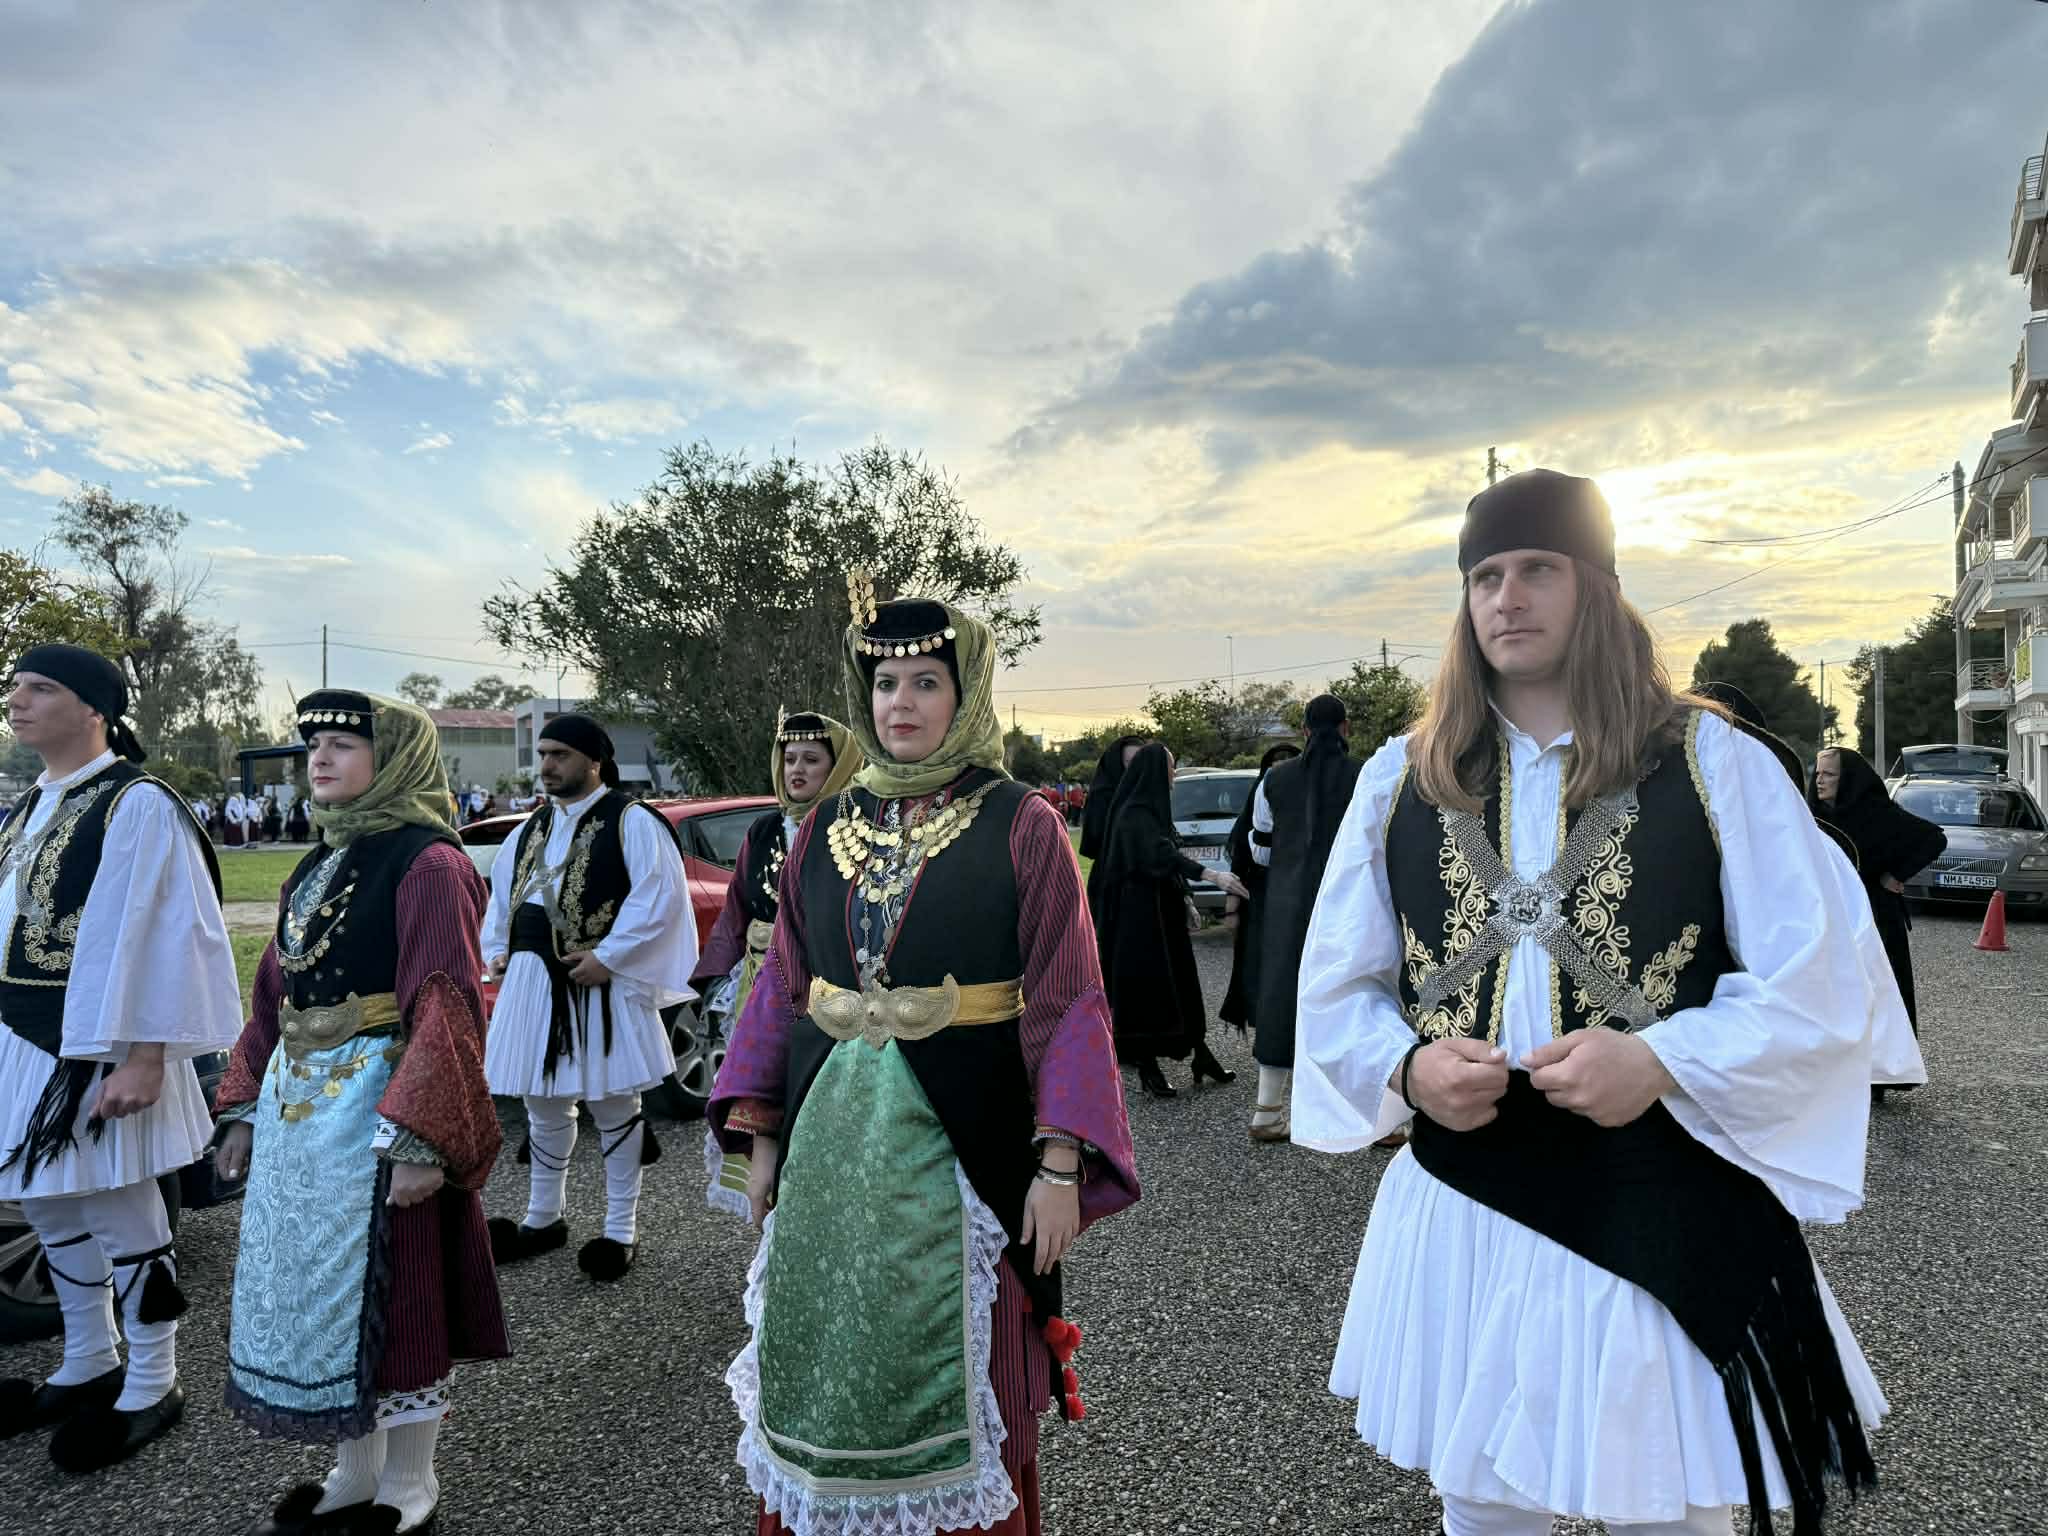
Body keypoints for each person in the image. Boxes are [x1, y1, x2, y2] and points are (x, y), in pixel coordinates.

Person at [1295, 469, 1898, 1536]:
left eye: (1537, 568)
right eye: (1485, 576)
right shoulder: (1399, 775)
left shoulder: (1714, 761)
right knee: (1484, 1505)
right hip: (1471, 1194)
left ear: (1597, 585)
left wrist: (1662, 1059)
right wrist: (1405, 1068)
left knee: (1668, 1507)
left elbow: (1817, 986)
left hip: (1659, 1183)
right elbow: (1336, 987)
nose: (1507, 597)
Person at [708, 583, 1140, 1536]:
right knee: (826, 1355)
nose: (899, 703)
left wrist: (1059, 1162)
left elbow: (1068, 998)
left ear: (966, 692)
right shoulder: (825, 824)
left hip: (963, 1148)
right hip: (831, 1154)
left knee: (961, 1362)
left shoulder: (1022, 821)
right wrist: (760, 1134)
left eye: (926, 683)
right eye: (885, 684)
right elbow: (783, 983)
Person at [217, 690, 508, 1536]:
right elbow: (273, 995)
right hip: (299, 1118)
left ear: (398, 756)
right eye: (314, 743)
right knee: (319, 1296)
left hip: (381, 1113)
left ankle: (411, 1480)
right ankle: (354, 1470)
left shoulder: (430, 864)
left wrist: (421, 1136)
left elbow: (445, 1002)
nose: (320, 757)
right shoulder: (318, 862)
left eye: (344, 743)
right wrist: (242, 1106)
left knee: (401, 1289)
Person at [0, 644, 241, 1472]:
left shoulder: (136, 803)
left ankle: (152, 1379)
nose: (17, 700)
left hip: (102, 1042)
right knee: (48, 1206)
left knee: (120, 1208)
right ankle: (88, 1358)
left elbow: (172, 931)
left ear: (95, 709)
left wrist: (145, 1057)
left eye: (40, 688)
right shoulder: (27, 807)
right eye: (15, 686)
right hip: (23, 1039)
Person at [481, 712, 697, 1281]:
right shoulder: (530, 828)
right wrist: (498, 949)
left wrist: (611, 957)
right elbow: (502, 896)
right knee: (543, 1102)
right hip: (532, 980)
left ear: (594, 761)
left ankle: (620, 1230)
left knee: (614, 1104)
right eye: (543, 754)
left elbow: (658, 897)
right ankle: (542, 1218)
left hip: (598, 980)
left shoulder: (632, 820)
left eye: (560, 755)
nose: (547, 765)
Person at [693, 707, 861, 1217]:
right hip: (758, 987)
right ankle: (766, 1223)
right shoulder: (764, 830)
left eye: (811, 759)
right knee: (760, 1102)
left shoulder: (855, 829)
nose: (797, 770)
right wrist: (714, 978)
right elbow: (736, 910)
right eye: (790, 759)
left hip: (825, 989)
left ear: (838, 765)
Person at [1091, 742, 1246, 1099]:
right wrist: (1213, 875)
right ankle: (1148, 1066)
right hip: (1138, 920)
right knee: (1148, 990)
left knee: (1183, 984)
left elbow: (1167, 858)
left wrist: (1187, 899)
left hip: (1163, 912)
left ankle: (1201, 1055)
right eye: (1171, 767)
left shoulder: (1151, 810)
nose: (1174, 774)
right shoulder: (1133, 814)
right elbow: (1161, 855)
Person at [1246, 696, 1363, 1144]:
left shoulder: (1274, 779)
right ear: (1346, 728)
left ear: (1304, 731)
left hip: (1289, 903)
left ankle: (1267, 1110)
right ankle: (1386, 1120)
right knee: (1362, 992)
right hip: (1353, 902)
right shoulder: (1367, 774)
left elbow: (1261, 848)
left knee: (1282, 994)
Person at [1811, 746, 1946, 1033]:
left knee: (1881, 988)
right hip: (1830, 915)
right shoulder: (1813, 818)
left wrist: (1896, 875)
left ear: (1848, 779)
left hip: (1876, 914)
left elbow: (1933, 839)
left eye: (1829, 774)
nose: (1820, 781)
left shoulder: (1877, 814)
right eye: (1818, 774)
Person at [1218, 742, 1299, 1087]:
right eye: (1274, 766)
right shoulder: (1258, 803)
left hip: (1296, 898)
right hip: (1262, 902)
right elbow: (1241, 858)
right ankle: (1270, 1044)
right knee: (1264, 974)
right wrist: (1232, 910)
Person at [224, 783, 252, 848]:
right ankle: (235, 844)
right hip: (234, 819)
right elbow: (228, 810)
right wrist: (234, 820)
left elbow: (241, 808)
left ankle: (242, 843)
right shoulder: (233, 798)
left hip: (239, 818)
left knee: (239, 831)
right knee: (234, 832)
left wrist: (240, 818)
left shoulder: (239, 797)